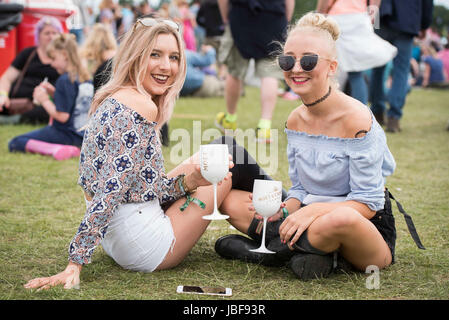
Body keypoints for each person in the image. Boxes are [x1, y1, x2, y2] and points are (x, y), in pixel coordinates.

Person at [22, 17, 282, 290]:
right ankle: (289, 221)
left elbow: (142, 187)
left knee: (212, 158)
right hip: (145, 243)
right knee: (225, 168)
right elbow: (111, 190)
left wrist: (190, 181)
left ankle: (279, 230)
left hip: (119, 238)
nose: (166, 66)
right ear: (135, 56)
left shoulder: (113, 96)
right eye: (154, 55)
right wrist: (75, 262)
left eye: (174, 57)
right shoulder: (141, 105)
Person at [214, 12, 425, 281]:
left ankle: (272, 252)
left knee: (339, 221)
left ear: (332, 67)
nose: (296, 68)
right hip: (309, 218)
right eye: (287, 60)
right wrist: (286, 208)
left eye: (309, 60)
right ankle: (315, 256)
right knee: (231, 201)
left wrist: (313, 211)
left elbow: (368, 203)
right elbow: (301, 189)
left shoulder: (357, 120)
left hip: (363, 229)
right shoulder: (295, 119)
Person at [215, 0, 295, 143]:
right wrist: (285, 17)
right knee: (270, 74)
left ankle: (230, 120)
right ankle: (264, 127)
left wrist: (226, 16)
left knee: (234, 72)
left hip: (241, 14)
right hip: (273, 16)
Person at [8, 33, 92, 161]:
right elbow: (73, 104)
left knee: (16, 142)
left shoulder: (64, 80)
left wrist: (44, 100)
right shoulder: (84, 78)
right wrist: (54, 92)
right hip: (81, 136)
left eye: (53, 59)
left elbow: (63, 117)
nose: (51, 64)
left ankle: (56, 150)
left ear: (64, 55)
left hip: (64, 133)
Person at [369, 0, 434, 132]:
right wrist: (423, 25)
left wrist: (371, 18)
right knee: (401, 71)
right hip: (408, 21)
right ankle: (394, 117)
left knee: (378, 68)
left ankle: (377, 112)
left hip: (382, 18)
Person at [316, 0, 397, 105]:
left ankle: (333, 107)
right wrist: (372, 17)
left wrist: (320, 16)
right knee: (355, 72)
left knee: (333, 68)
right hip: (359, 18)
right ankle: (361, 111)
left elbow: (324, 2)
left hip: (337, 18)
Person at [0, 16, 62, 124]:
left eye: (54, 33)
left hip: (44, 104)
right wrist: (3, 96)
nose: (51, 37)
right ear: (39, 36)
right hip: (17, 102)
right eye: (47, 33)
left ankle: (14, 120)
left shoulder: (63, 58)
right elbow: (7, 78)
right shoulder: (28, 53)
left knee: (49, 109)